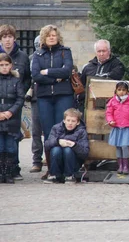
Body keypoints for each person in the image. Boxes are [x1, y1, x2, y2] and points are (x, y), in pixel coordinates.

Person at [31, 25, 75, 180]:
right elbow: (36, 75)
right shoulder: (37, 54)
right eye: (49, 35)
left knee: (65, 129)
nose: (51, 37)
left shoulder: (65, 51)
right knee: (49, 133)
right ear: (44, 37)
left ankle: (67, 169)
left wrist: (48, 72)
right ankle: (52, 169)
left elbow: (67, 70)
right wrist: (56, 78)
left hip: (63, 95)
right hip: (44, 97)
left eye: (54, 35)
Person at [0, 24, 31, 181]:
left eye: (10, 37)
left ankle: (14, 167)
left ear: (14, 38)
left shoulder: (22, 56)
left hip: (15, 102)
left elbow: (27, 79)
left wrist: (19, 92)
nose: (7, 40)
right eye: (4, 37)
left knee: (13, 135)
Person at [105, 81, 129, 175]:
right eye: (119, 90)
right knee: (118, 147)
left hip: (127, 127)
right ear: (116, 90)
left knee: (124, 146)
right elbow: (109, 113)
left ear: (127, 91)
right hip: (117, 127)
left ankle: (126, 165)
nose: (121, 92)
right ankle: (120, 165)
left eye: (123, 90)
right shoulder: (112, 101)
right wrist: (110, 121)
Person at [43, 108, 89, 184]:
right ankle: (53, 175)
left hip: (73, 162)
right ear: (64, 120)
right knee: (56, 150)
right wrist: (58, 141)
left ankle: (69, 175)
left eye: (73, 121)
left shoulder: (82, 131)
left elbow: (85, 153)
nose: (70, 123)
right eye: (68, 120)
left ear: (77, 122)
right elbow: (47, 145)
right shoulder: (56, 128)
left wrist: (74, 145)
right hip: (57, 159)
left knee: (67, 150)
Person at [78, 39, 125, 112]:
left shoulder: (117, 64)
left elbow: (115, 76)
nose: (101, 54)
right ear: (95, 52)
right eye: (99, 51)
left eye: (104, 51)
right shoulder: (88, 67)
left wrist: (98, 77)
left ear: (109, 51)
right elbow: (82, 85)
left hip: (111, 105)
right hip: (89, 104)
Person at [0, 53, 25, 184]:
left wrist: (10, 112)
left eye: (6, 65)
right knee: (0, 146)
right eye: (1, 65)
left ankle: (9, 173)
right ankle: (1, 173)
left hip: (11, 118)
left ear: (11, 65)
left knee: (10, 147)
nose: (4, 67)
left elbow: (20, 98)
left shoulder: (16, 81)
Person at [27, 36, 44, 173]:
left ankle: (50, 159)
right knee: (36, 131)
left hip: (51, 95)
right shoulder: (31, 58)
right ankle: (36, 159)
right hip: (36, 96)